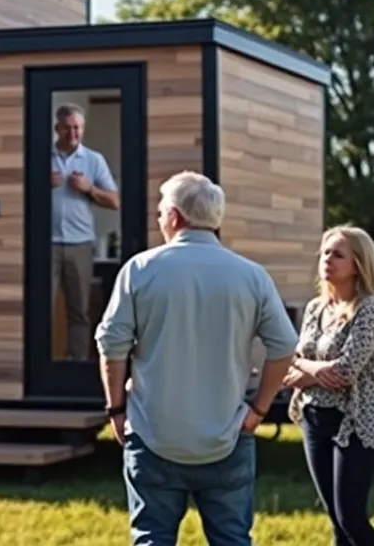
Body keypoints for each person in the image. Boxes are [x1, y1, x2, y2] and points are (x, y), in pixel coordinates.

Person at [95, 170, 298, 546]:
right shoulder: (252, 276)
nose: (158, 219)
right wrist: (259, 410)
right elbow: (285, 346)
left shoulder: (139, 270)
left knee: (152, 539)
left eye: (160, 212)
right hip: (228, 435)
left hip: (153, 434)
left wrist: (116, 410)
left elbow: (112, 345)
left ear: (175, 217)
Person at [285, 225, 374, 546]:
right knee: (335, 518)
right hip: (314, 418)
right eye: (325, 253)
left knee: (351, 518)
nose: (327, 259)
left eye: (338, 254)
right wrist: (313, 369)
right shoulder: (316, 307)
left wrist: (305, 369)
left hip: (355, 422)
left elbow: (345, 371)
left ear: (357, 264)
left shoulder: (371, 307)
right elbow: (294, 359)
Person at [51, 103, 119, 361]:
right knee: (40, 310)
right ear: (57, 129)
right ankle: (42, 368)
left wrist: (89, 189)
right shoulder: (40, 156)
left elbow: (114, 201)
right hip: (46, 244)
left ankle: (76, 364)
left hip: (80, 244)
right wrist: (40, 184)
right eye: (67, 128)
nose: (73, 133)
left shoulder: (93, 160)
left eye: (77, 127)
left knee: (78, 311)